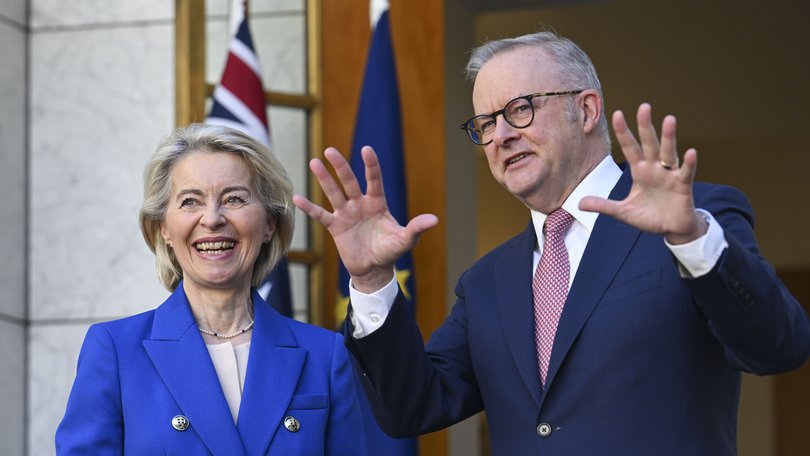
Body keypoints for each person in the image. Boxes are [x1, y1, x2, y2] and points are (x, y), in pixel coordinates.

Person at [293, 31, 810, 454]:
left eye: (520, 109)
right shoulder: (488, 282)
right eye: (486, 123)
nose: (500, 135)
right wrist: (371, 280)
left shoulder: (693, 219)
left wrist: (691, 238)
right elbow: (413, 407)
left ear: (586, 110)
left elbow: (777, 347)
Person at [56, 123, 367, 455]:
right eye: (190, 201)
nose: (212, 218)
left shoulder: (324, 355)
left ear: (269, 224)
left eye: (234, 199)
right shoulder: (115, 350)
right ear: (163, 228)